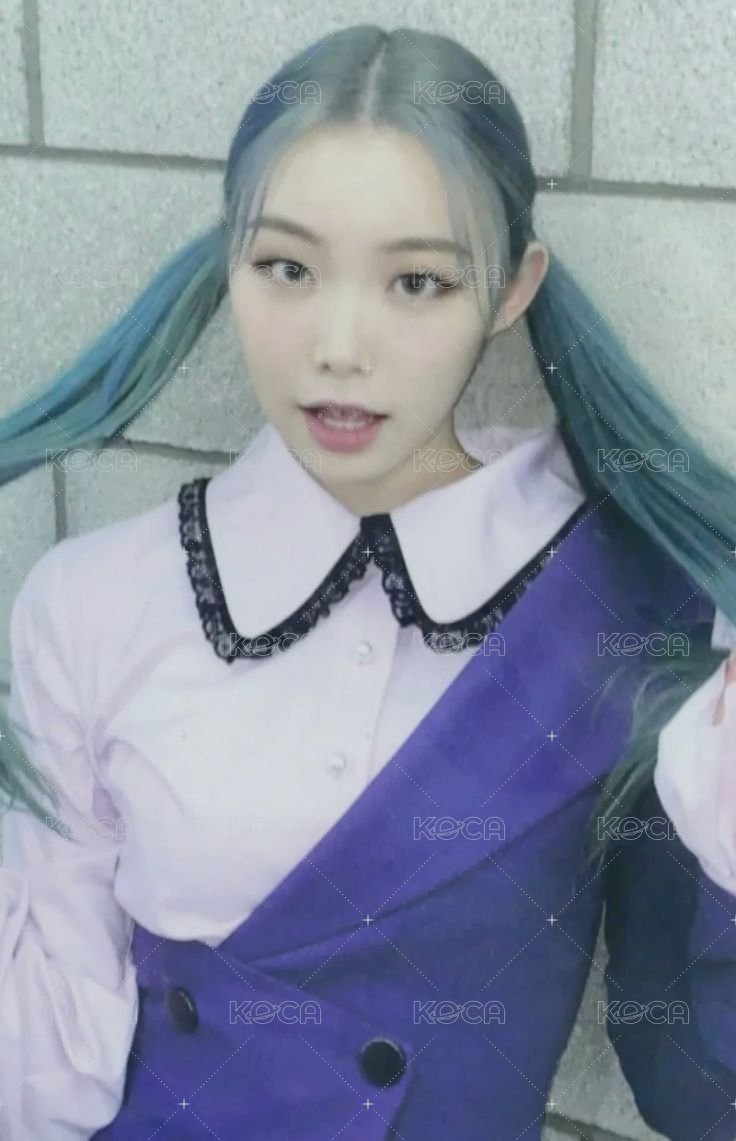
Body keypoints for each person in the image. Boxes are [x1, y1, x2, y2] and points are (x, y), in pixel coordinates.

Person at [0, 23, 734, 1141]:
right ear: (230, 259)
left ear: (511, 289)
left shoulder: (626, 602)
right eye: (286, 268)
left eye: (418, 281)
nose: (338, 346)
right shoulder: (88, 601)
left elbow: (696, 1078)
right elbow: (46, 1068)